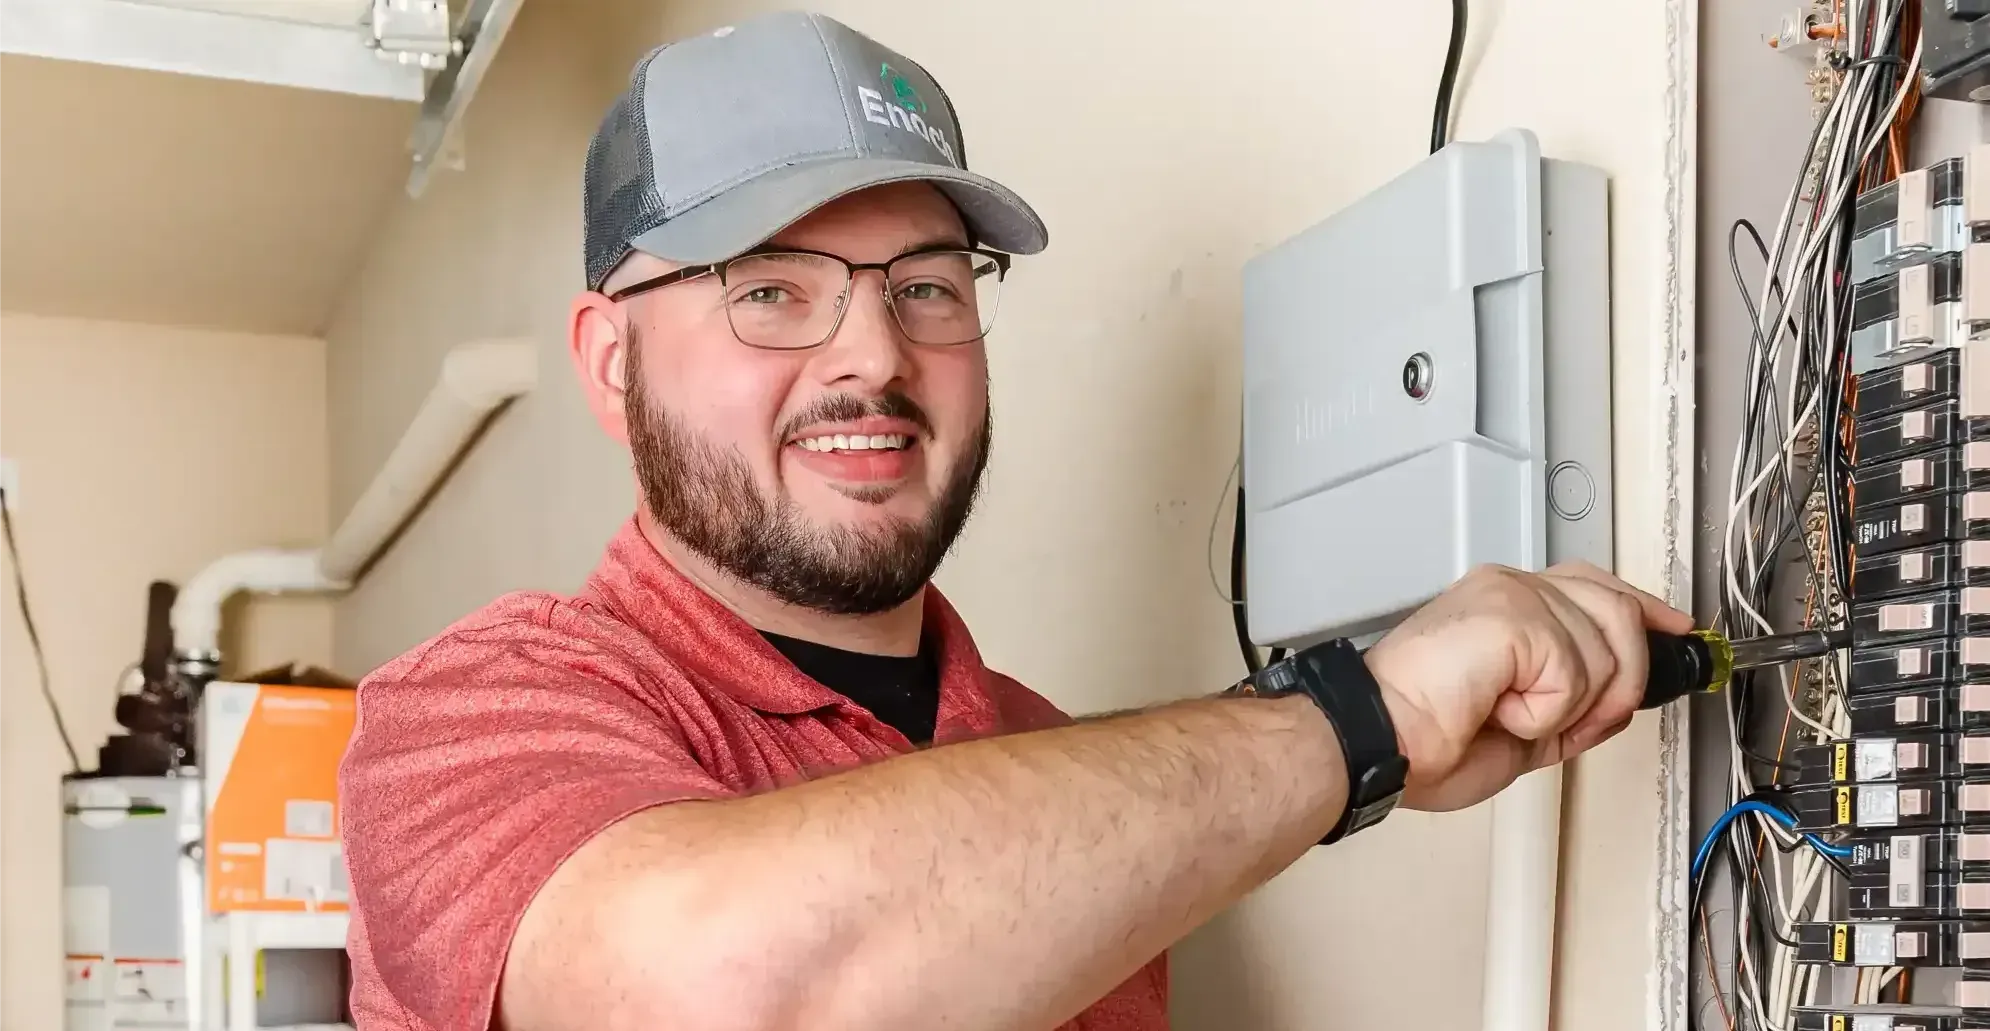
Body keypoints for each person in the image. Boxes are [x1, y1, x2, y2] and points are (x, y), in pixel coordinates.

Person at [336, 10, 1693, 1031]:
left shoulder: (1052, 760)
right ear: (610, 362)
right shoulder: (471, 715)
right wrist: (1356, 720)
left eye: (927, 285)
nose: (874, 354)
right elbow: (721, 991)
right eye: (771, 289)